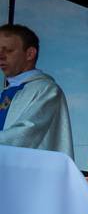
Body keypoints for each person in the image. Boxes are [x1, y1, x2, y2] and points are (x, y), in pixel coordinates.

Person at [0, 24, 74, 159]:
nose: (1, 56)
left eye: (8, 50)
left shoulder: (47, 90)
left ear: (30, 54)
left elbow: (26, 133)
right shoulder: (6, 92)